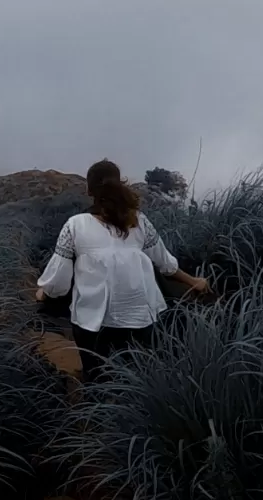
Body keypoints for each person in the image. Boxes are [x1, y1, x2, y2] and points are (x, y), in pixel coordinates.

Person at [36, 159, 208, 383]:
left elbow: (58, 282)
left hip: (93, 325)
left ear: (89, 190)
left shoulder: (75, 225)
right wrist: (194, 281)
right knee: (139, 379)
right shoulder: (139, 221)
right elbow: (165, 265)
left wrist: (43, 293)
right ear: (119, 183)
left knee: (97, 380)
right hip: (141, 321)